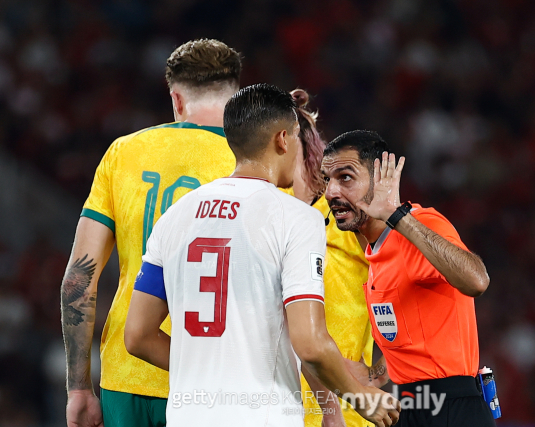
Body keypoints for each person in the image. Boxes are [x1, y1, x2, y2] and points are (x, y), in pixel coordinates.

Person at [123, 84, 400, 426]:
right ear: (283, 140)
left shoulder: (176, 216)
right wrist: (361, 397)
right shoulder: (296, 218)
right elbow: (310, 342)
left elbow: (137, 335)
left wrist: (206, 373)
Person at [61, 39, 241, 427]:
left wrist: (78, 389)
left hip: (126, 375)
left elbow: (78, 278)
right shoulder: (254, 163)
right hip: (215, 379)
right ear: (237, 98)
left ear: (176, 100)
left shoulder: (123, 153)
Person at [321, 130, 495, 427]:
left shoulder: (421, 223)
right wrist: (372, 376)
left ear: (380, 179)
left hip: (452, 410)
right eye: (327, 179)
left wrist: (396, 214)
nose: (331, 192)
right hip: (410, 407)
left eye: (345, 177)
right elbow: (405, 344)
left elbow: (477, 280)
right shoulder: (375, 253)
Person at [288, 90, 378, 427]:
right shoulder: (257, 215)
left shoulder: (347, 215)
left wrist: (378, 373)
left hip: (346, 417)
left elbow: (412, 298)